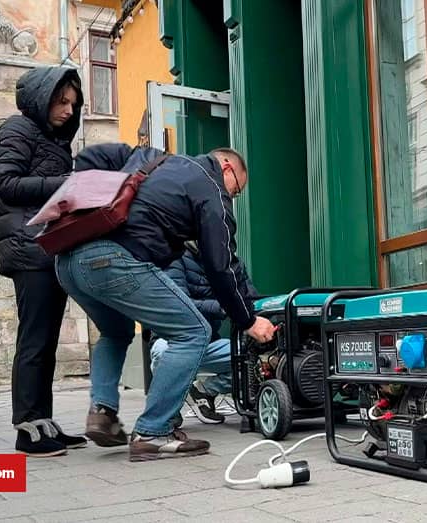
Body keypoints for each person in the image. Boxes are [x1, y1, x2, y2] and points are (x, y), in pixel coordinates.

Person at [57, 143, 276, 462]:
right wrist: (247, 321)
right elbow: (221, 265)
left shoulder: (157, 160)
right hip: (114, 258)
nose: (233, 197)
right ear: (227, 167)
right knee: (194, 333)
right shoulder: (211, 187)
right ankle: (153, 432)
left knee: (116, 333)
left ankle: (102, 411)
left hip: (70, 258)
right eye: (237, 190)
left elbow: (93, 157)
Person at [0, 66, 87, 457]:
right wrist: (66, 184)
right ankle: (26, 428)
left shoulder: (54, 140)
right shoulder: (17, 128)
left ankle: (42, 422)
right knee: (33, 339)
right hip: (26, 246)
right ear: (42, 98)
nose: (67, 111)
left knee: (45, 341)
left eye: (73, 104)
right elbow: (6, 184)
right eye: (61, 102)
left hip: (46, 246)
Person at [155, 241, 258, 424]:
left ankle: (204, 390)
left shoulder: (231, 262)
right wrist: (223, 307)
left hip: (209, 342)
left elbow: (251, 298)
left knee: (252, 358)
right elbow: (180, 302)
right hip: (174, 340)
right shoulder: (175, 258)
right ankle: (169, 408)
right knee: (163, 353)